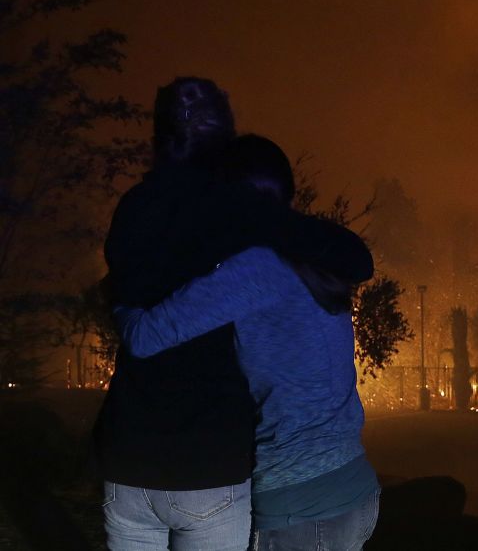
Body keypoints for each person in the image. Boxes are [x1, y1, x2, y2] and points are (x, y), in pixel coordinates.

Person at [96, 78, 373, 550]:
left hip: (137, 457)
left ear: (158, 137)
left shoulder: (136, 209)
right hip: (243, 466)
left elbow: (142, 331)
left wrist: (114, 300)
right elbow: (355, 259)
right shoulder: (261, 233)